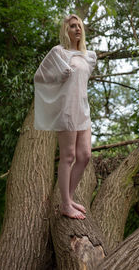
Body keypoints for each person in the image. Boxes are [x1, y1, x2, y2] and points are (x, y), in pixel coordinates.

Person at [34, 14, 97, 220]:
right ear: (66, 31)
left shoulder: (89, 56)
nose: (77, 29)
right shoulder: (58, 52)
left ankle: (67, 199)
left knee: (85, 155)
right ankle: (66, 204)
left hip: (83, 110)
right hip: (67, 111)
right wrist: (58, 76)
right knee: (68, 156)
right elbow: (40, 77)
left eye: (79, 25)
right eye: (72, 26)